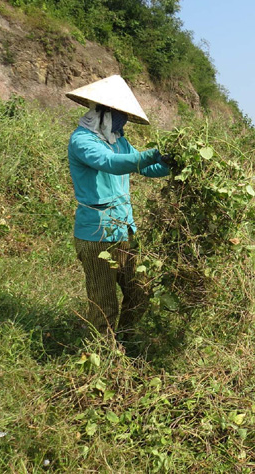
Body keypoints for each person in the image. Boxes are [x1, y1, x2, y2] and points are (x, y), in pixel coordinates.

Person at [65, 75, 173, 337]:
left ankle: (125, 340)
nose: (122, 121)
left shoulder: (118, 140)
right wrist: (150, 154)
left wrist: (172, 163)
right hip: (97, 234)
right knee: (104, 305)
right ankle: (103, 355)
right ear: (103, 112)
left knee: (141, 291)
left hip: (125, 230)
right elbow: (112, 163)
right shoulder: (82, 141)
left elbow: (147, 168)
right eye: (119, 114)